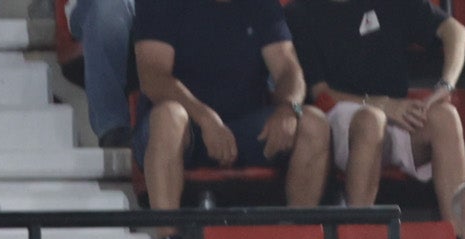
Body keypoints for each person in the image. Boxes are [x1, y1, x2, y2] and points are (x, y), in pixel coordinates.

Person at [134, 0, 329, 221]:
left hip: (244, 131)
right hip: (182, 130)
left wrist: (288, 108)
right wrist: (206, 119)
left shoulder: (262, 5)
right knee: (169, 117)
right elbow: (153, 76)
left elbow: (288, 68)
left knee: (314, 123)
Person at [292, 0, 465, 236]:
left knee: (446, 117)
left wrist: (447, 84)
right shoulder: (300, 11)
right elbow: (320, 93)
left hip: (396, 113)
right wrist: (383, 104)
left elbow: (455, 30)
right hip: (338, 115)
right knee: (371, 120)